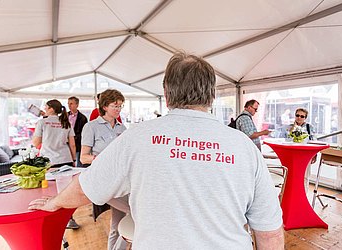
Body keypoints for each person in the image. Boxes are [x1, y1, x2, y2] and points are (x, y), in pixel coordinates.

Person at [29, 52, 284, 249]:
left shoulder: (137, 137)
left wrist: (55, 202)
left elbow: (86, 187)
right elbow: (269, 231)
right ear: (212, 95)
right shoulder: (243, 146)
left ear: (166, 93)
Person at [81, 89, 128, 250]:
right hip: (103, 183)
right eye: (115, 106)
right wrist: (102, 160)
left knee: (117, 223)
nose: (118, 109)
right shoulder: (91, 127)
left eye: (120, 106)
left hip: (121, 182)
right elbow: (83, 157)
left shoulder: (122, 128)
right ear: (105, 106)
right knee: (133, 211)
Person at [32, 99, 79, 229]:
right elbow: (72, 144)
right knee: (66, 192)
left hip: (49, 162)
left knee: (49, 191)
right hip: (65, 160)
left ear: (51, 108)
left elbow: (36, 143)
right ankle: (68, 219)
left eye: (46, 107)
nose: (45, 109)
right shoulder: (66, 122)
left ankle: (51, 220)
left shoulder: (42, 122)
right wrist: (74, 160)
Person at [67, 96, 88, 167]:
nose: (69, 105)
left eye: (71, 103)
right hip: (66, 144)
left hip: (77, 145)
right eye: (68, 103)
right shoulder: (65, 116)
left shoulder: (83, 118)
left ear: (77, 105)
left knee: (78, 165)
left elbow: (84, 133)